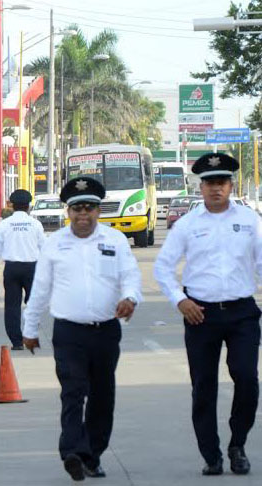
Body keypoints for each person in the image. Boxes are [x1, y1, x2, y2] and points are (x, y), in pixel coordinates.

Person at [22, 177, 142, 481]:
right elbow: (40, 289)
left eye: (89, 208)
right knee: (73, 390)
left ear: (99, 211)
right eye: (77, 208)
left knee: (103, 396)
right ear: (68, 212)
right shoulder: (54, 244)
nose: (83, 214)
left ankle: (93, 455)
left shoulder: (114, 241)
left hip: (106, 332)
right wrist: (30, 327)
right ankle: (73, 451)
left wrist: (130, 297)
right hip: (69, 333)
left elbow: (130, 276)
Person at [153, 153, 261, 476]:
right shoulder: (187, 225)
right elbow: (162, 267)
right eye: (210, 183)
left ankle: (237, 443)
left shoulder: (251, 221)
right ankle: (211, 454)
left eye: (222, 183)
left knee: (247, 379)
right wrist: (179, 300)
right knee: (204, 387)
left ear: (231, 185)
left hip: (242, 312)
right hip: (200, 313)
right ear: (201, 187)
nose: (216, 189)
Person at [0, 189, 45, 350]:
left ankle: (17, 342)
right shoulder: (35, 224)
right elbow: (44, 248)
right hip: (31, 268)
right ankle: (30, 333)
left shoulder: (5, 224)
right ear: (28, 206)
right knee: (33, 304)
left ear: (12, 206)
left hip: (11, 269)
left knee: (12, 306)